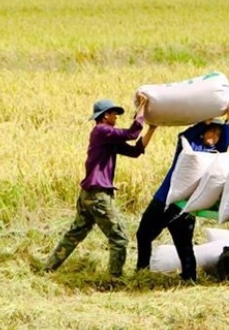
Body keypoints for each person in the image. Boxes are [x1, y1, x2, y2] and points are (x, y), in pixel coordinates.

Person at [44, 94, 157, 277]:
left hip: (89, 194)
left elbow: (135, 151)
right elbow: (131, 133)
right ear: (105, 116)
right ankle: (114, 279)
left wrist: (152, 128)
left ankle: (49, 268)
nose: (116, 117)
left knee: (75, 233)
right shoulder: (101, 131)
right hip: (97, 196)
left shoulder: (108, 140)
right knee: (119, 238)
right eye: (114, 114)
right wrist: (141, 109)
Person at [135, 104, 229, 281]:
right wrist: (203, 123)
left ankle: (188, 277)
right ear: (203, 133)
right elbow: (184, 136)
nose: (214, 136)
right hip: (170, 200)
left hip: (176, 204)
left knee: (182, 243)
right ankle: (143, 271)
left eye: (217, 134)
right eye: (211, 132)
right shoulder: (190, 148)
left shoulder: (214, 154)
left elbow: (226, 141)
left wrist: (228, 121)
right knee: (145, 235)